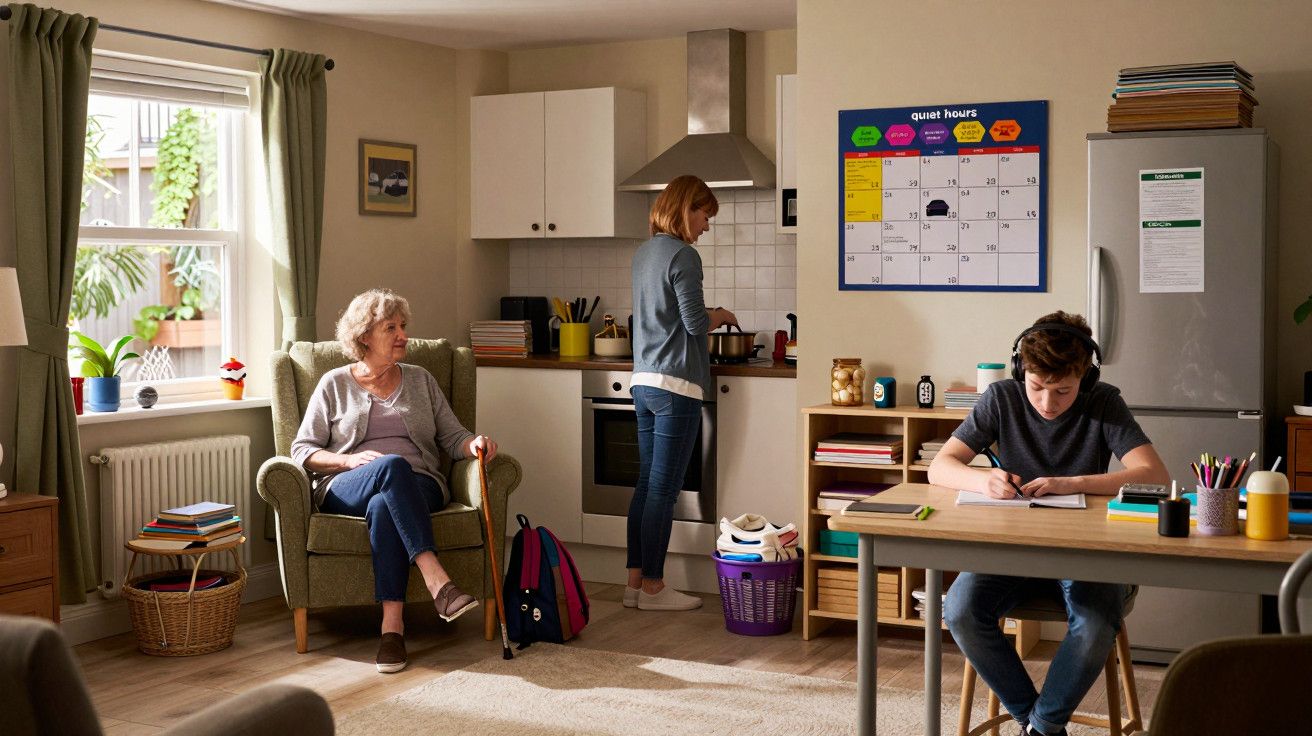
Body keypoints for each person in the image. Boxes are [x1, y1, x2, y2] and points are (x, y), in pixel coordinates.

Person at [928, 311, 1169, 736]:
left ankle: (1040, 726)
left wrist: (1073, 482)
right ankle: (1039, 724)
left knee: (1095, 626)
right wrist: (984, 480)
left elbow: (1154, 475)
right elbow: (940, 467)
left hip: (1086, 553)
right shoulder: (1001, 397)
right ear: (1022, 372)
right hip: (1012, 550)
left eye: (1063, 391)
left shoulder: (1103, 401)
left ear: (1085, 380)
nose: (1047, 403)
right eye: (1037, 387)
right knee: (959, 610)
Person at [291, 288, 498, 674]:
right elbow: (302, 450)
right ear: (364, 336)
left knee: (386, 502)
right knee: (391, 467)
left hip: (421, 485)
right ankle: (439, 583)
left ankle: (392, 630)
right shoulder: (334, 384)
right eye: (391, 327)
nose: (402, 334)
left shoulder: (421, 380)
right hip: (347, 484)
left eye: (403, 326)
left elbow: (453, 437)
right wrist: (347, 460)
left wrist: (475, 443)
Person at [626, 175, 737, 612]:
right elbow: (694, 322)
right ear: (685, 209)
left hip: (644, 382)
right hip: (676, 386)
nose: (706, 225)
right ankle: (654, 587)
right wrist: (722, 314)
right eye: (704, 215)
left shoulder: (643, 253)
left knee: (645, 486)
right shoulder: (683, 255)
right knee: (663, 491)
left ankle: (633, 582)